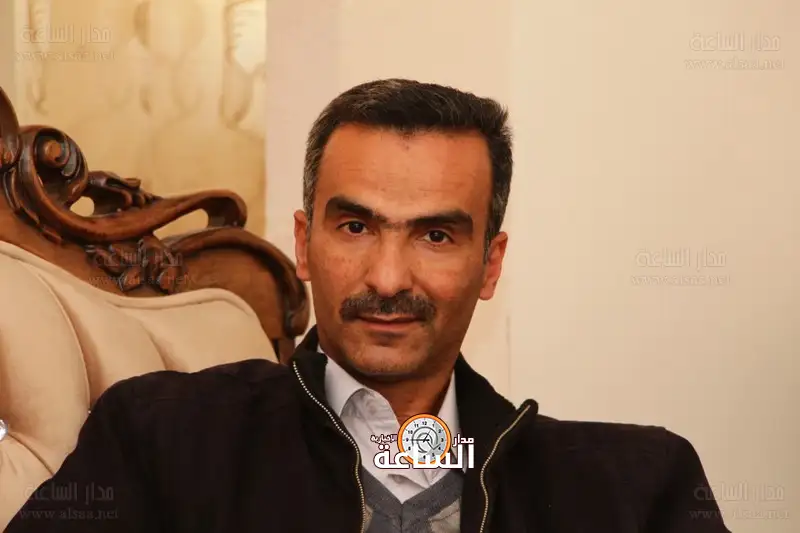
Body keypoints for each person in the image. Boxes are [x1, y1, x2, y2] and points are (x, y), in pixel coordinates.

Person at [5, 79, 730, 533]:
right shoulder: (161, 439)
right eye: (355, 227)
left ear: (490, 264)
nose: (386, 278)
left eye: (436, 235)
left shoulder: (636, 488)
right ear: (303, 243)